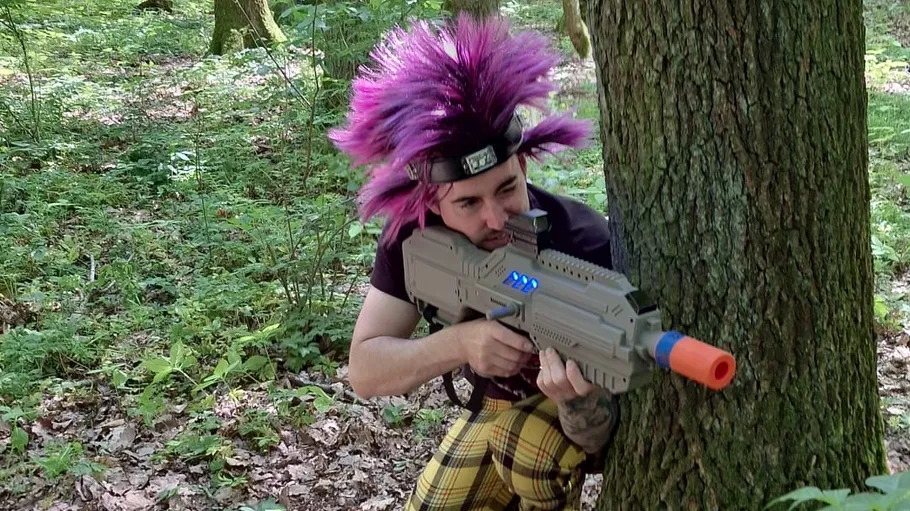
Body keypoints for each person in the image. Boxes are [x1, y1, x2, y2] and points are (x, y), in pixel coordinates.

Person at [329, 13, 620, 510]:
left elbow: (599, 437)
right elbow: (365, 369)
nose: (495, 217)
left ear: (523, 164)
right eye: (467, 203)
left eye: (507, 188)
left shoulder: (582, 241)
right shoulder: (414, 239)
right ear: (432, 200)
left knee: (527, 453)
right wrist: (462, 342)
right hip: (491, 410)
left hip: (560, 431)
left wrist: (576, 400)